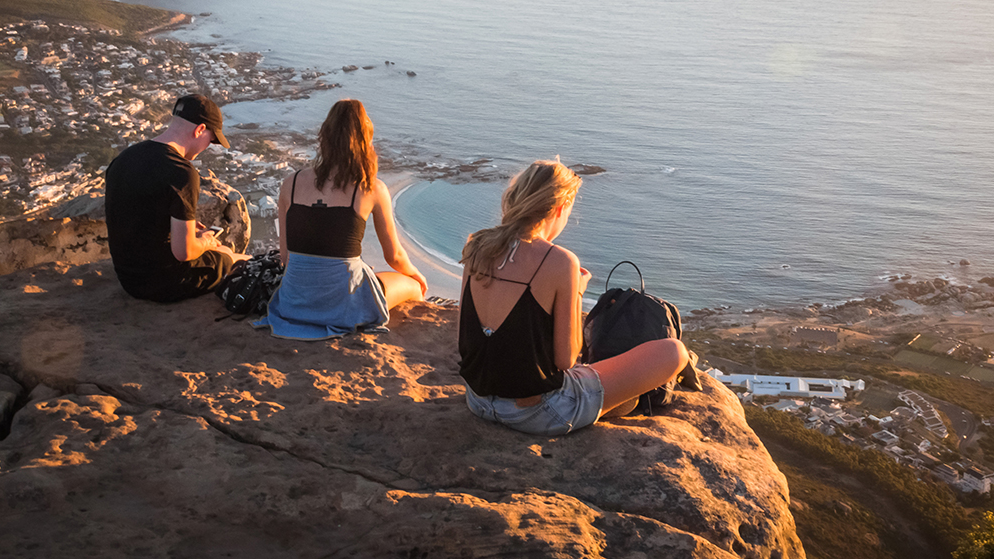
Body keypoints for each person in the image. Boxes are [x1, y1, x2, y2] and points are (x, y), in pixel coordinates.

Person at [458, 160, 690, 437]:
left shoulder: (476, 246)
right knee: (673, 352)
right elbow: (567, 359)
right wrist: (576, 291)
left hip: (478, 401)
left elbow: (464, 333)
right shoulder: (559, 261)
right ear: (559, 208)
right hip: (538, 413)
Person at [254, 99, 427, 339]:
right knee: (414, 287)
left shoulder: (290, 184)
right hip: (345, 306)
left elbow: (286, 258)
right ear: (366, 140)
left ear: (324, 136)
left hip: (294, 303)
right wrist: (417, 274)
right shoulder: (371, 188)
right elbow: (394, 256)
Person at [105, 94, 246, 302]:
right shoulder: (182, 172)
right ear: (199, 130)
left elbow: (141, 217)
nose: (208, 146)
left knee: (220, 250)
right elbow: (184, 252)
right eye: (211, 139)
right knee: (237, 259)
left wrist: (180, 228)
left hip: (128, 279)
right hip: (164, 282)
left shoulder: (124, 158)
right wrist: (206, 241)